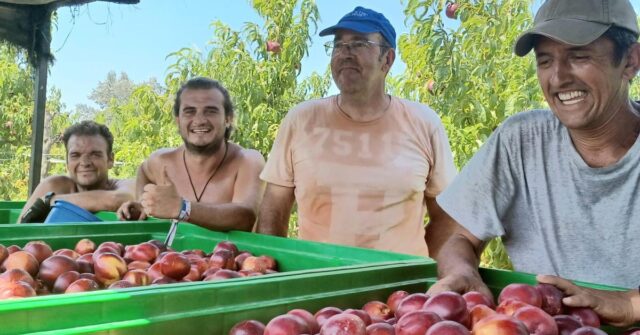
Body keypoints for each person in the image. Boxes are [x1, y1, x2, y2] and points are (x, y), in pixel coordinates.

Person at [427, 0, 640, 326]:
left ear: (630, 61)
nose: (558, 78)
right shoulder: (521, 141)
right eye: (545, 61)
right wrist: (461, 271)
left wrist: (629, 305)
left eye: (579, 57)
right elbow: (454, 236)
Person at [257, 6, 457, 257]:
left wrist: (418, 272)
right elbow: (274, 207)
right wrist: (272, 272)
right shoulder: (301, 120)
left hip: (398, 291)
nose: (345, 54)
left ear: (388, 59)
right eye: (338, 45)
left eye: (359, 44)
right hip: (317, 283)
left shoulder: (424, 123)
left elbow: (447, 216)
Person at [117, 77, 265, 232]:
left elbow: (246, 216)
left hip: (231, 255)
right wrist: (143, 204)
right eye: (189, 112)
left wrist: (182, 208)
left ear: (228, 119)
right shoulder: (161, 161)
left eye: (211, 111)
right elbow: (144, 170)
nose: (200, 120)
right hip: (169, 255)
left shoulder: (247, 160)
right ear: (178, 120)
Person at [19, 121, 135, 223]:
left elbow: (115, 200)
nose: (85, 162)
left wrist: (51, 201)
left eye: (95, 154)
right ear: (67, 161)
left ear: (110, 160)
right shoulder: (54, 185)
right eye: (75, 155)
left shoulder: (124, 185)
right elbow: (20, 227)